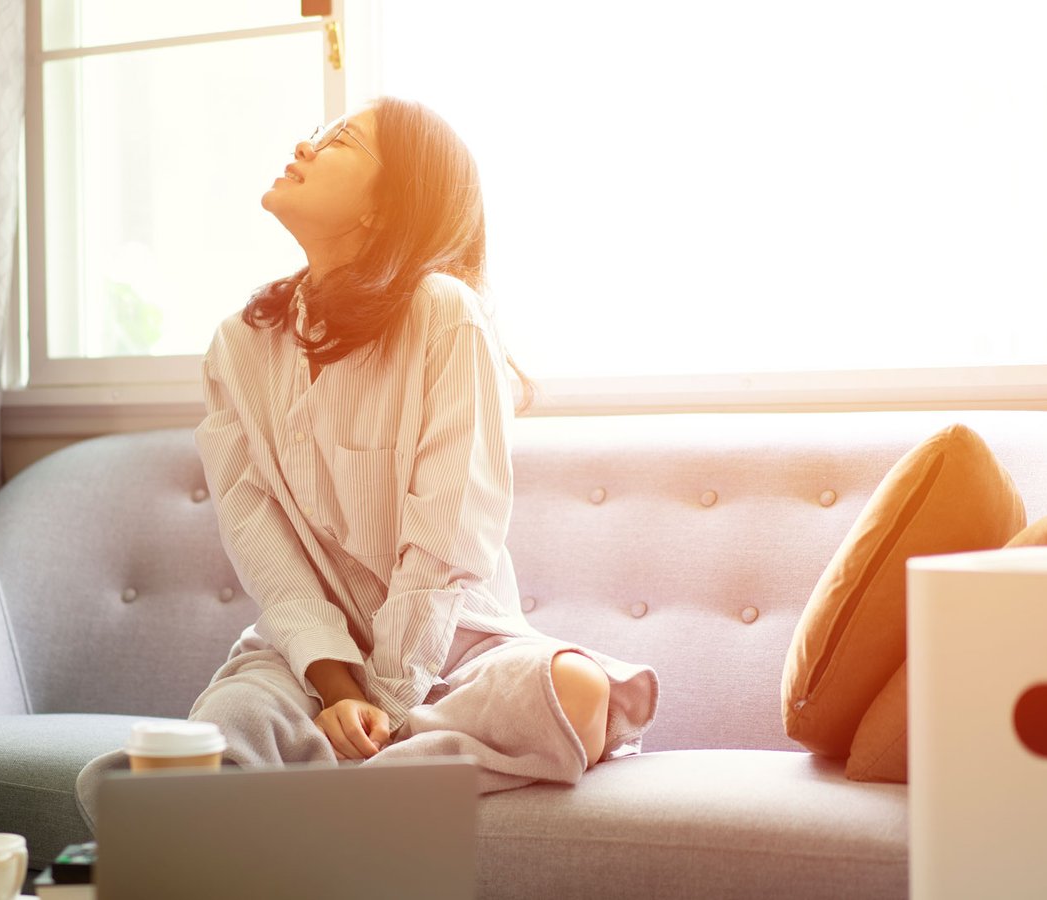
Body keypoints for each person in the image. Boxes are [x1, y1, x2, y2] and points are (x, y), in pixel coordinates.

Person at [88, 97, 657, 795]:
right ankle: (367, 784)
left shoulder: (444, 315)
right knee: (231, 721)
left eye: (340, 141)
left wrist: (382, 703)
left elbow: (449, 543)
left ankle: (322, 786)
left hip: (454, 647)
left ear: (386, 209)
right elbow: (259, 540)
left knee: (577, 691)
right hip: (307, 662)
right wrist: (334, 690)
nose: (305, 144)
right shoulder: (236, 346)